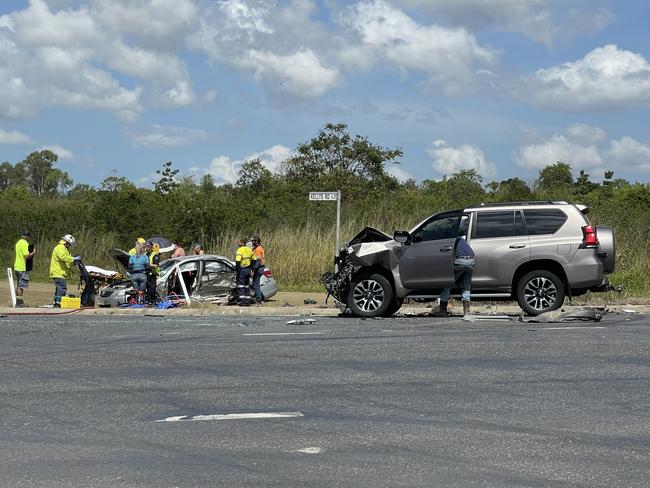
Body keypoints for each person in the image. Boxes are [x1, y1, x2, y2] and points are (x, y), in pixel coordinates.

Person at [433, 231, 475, 317]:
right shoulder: (461, 240)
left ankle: (442, 310)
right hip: (471, 261)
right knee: (466, 286)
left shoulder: (450, 241)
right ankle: (466, 312)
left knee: (448, 283)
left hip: (460, 261)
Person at [50, 234, 79, 308]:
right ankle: (57, 304)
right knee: (62, 288)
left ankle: (56, 303)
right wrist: (73, 259)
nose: (70, 246)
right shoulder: (60, 248)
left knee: (59, 289)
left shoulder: (64, 248)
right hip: (59, 272)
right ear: (67, 242)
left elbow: (66, 259)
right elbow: (63, 257)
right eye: (70, 244)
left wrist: (73, 261)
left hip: (60, 272)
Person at [13, 230, 36, 307]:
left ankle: (18, 300)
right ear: (27, 236)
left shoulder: (18, 243)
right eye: (29, 237)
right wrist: (33, 253)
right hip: (22, 267)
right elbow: (27, 256)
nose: (30, 239)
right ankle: (19, 302)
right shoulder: (24, 243)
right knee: (21, 286)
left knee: (19, 285)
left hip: (17, 266)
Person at [235, 238, 257, 306]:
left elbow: (238, 261)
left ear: (241, 243)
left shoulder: (240, 250)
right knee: (247, 286)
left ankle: (242, 302)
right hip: (248, 270)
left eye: (238, 242)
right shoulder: (249, 249)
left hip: (242, 269)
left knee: (241, 286)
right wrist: (251, 266)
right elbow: (254, 259)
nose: (237, 244)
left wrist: (238, 270)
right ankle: (247, 302)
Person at [250, 235, 266, 304]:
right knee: (256, 284)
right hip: (260, 268)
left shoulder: (258, 249)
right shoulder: (258, 248)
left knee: (255, 285)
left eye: (253, 240)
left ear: (257, 241)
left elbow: (257, 261)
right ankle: (260, 298)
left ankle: (259, 300)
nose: (252, 242)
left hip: (258, 268)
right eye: (252, 240)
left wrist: (253, 270)